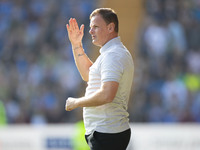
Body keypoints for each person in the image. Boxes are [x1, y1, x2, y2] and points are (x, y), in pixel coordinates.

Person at [65, 8, 134, 150]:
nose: (91, 31)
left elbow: (107, 94)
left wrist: (77, 102)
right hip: (106, 132)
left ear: (110, 27)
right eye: (90, 27)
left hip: (107, 133)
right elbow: (88, 75)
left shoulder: (113, 55)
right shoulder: (111, 53)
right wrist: (76, 44)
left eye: (95, 27)